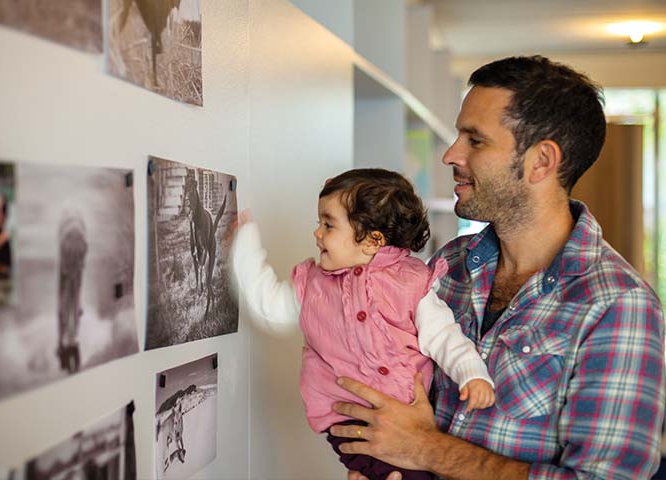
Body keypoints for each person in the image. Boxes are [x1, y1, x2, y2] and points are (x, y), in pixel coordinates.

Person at [331, 55, 666, 480]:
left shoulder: (618, 305)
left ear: (541, 161)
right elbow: (407, 406)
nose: (451, 155)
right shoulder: (448, 266)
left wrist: (429, 450)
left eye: (475, 139)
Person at [231, 168, 495, 480]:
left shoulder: (410, 282)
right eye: (320, 222)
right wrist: (244, 248)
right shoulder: (313, 284)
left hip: (413, 416)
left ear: (372, 240)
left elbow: (444, 336)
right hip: (348, 425)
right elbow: (270, 308)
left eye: (328, 224)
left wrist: (472, 374)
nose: (317, 233)